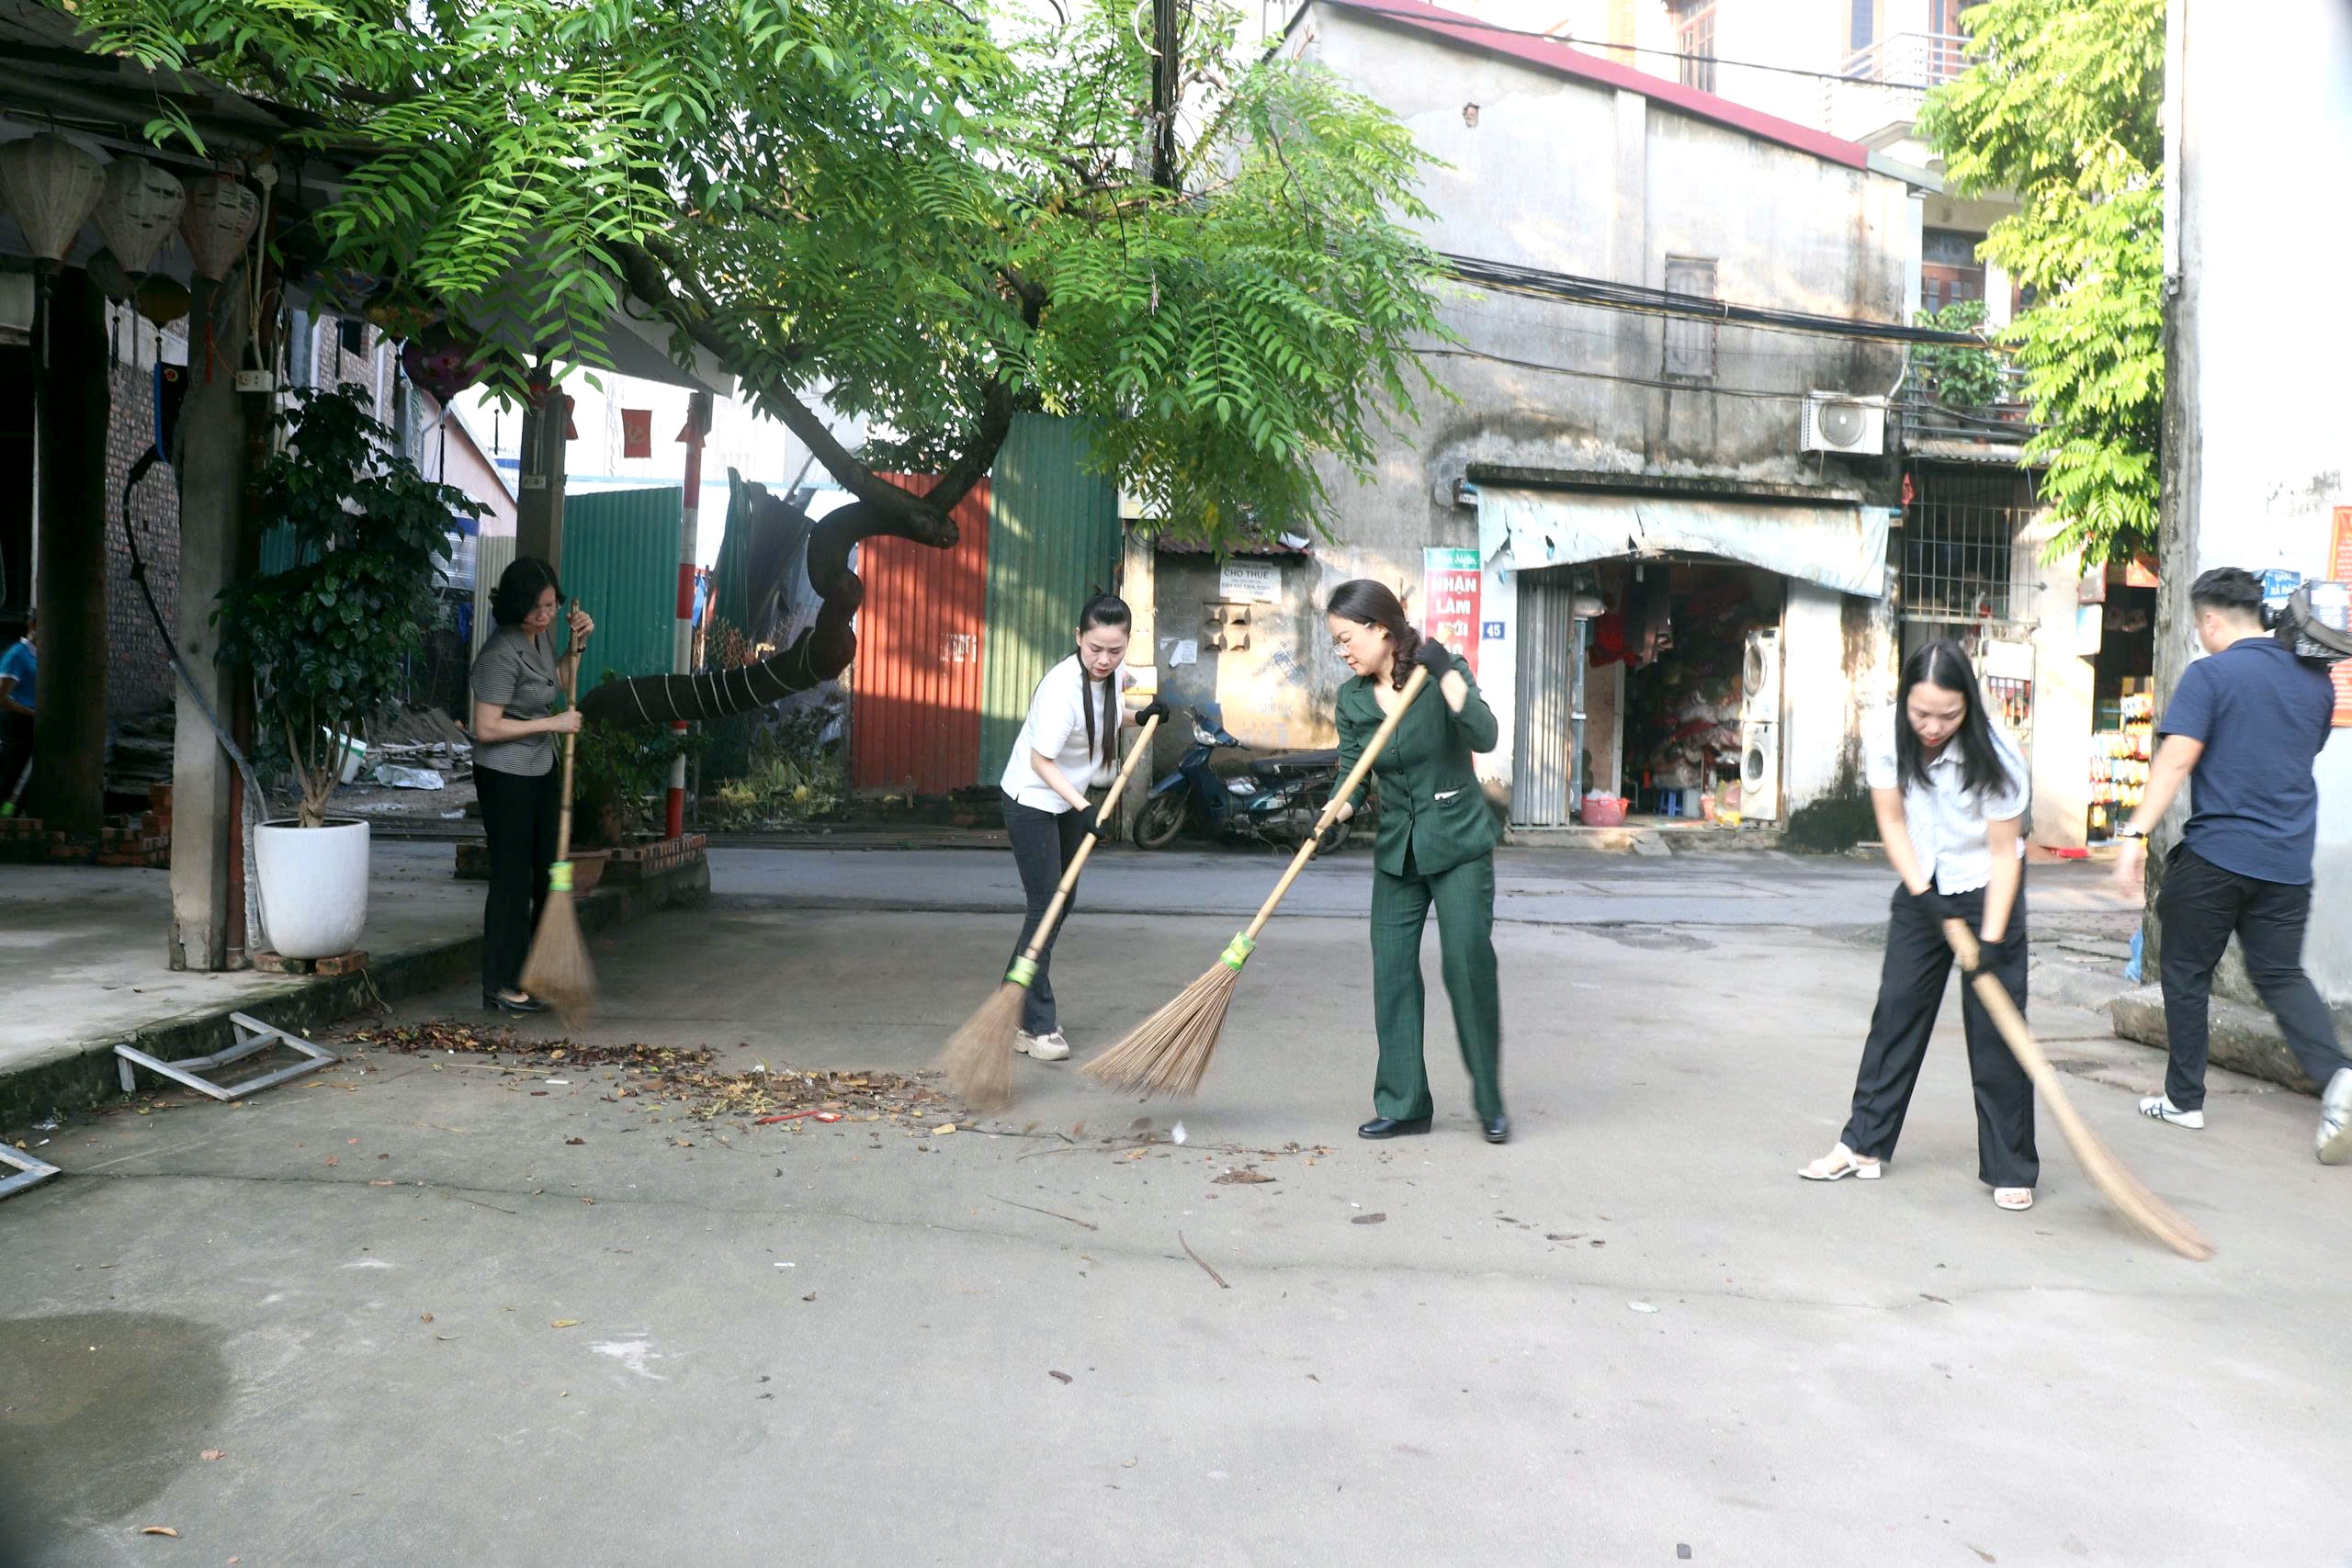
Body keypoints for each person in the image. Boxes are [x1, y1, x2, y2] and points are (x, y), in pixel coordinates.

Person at [2114, 567, 2351, 1163]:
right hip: (2289, 860)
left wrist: (2133, 834)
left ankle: (2183, 1099)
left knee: (2186, 969)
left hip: (2218, 853)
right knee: (2280, 975)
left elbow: (2174, 762)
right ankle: (2340, 1080)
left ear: (2210, 620)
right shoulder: (2317, 684)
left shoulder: (2211, 674)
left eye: (2199, 626)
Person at [1801, 638, 2039, 1210]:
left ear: (1969, 707)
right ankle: (1863, 1145)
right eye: (1921, 713)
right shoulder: (1886, 735)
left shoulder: (2000, 754)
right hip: (1923, 880)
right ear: (1905, 700)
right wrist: (1922, 893)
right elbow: (1891, 818)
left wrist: (1988, 943)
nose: (1932, 726)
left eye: (1948, 715)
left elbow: (2006, 856)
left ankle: (2012, 1168)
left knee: (1996, 1031)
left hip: (1988, 885)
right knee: (1896, 1011)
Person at [1324, 580, 1508, 1144]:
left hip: (1458, 842)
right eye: (1336, 643)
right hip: (1397, 849)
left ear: (1381, 629)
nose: (1343, 651)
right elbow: (1354, 765)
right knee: (1393, 972)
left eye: (1347, 638)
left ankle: (1489, 1101)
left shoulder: (1438, 672)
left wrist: (1449, 673)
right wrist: (1343, 804)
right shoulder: (1353, 697)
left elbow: (1485, 732)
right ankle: (1405, 1103)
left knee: (1466, 967)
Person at [997, 593, 1167, 1062]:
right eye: (1095, 648)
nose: (1104, 659)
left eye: (1115, 650)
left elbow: (1105, 722)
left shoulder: (1112, 678)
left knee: (1060, 901)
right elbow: (1041, 759)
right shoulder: (1061, 689)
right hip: (1031, 799)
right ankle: (1033, 1024)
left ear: (1126, 643)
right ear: (1078, 638)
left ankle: (1015, 999)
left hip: (1067, 799)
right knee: (1047, 904)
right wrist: (1084, 808)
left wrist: (1140, 717)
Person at [469, 558, 593, 1014]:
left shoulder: (538, 640)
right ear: (517, 606)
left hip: (541, 768)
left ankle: (538, 974)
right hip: (505, 777)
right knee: (511, 877)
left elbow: (554, 682)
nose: (547, 615)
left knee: (549, 870)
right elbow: (486, 727)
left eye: (551, 604)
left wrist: (575, 647)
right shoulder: (499, 654)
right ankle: (500, 983)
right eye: (538, 607)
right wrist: (554, 723)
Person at [0, 611, 33, 810]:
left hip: (30, 723)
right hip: (17, 723)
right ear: (34, 626)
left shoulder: (36, 656)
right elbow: (2, 697)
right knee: (10, 776)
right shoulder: (18, 655)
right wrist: (32, 713)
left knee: (24, 778)